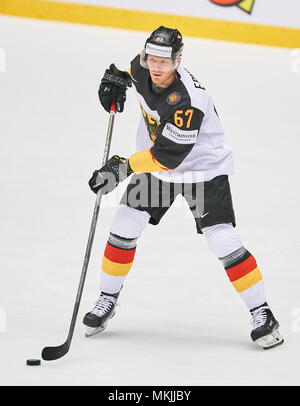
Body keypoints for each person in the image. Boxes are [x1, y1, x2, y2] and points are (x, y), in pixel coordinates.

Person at [83, 26, 283, 349]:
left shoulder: (188, 101)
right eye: (152, 59)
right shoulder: (142, 65)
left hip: (200, 170)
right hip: (155, 164)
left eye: (165, 61)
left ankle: (263, 313)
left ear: (178, 61)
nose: (157, 67)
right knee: (123, 225)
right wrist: (116, 79)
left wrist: (122, 167)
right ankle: (107, 299)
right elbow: (129, 73)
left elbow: (165, 159)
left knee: (223, 241)